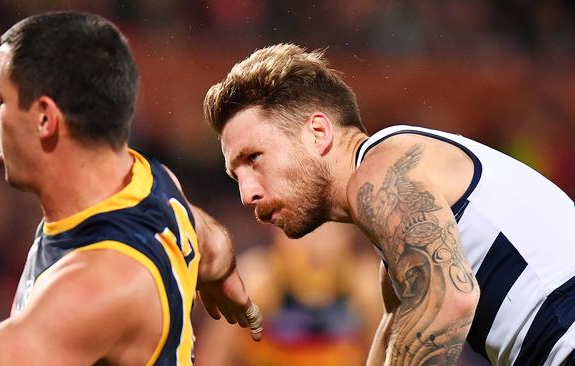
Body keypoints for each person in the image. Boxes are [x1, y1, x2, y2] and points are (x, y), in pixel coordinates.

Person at [203, 43, 575, 365]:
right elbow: (395, 335)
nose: (246, 193)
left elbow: (450, 301)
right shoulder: (394, 238)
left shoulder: (382, 167)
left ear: (318, 132)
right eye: (236, 176)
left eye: (254, 158)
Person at [0, 11, 262, 366]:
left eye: (0, 98)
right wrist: (222, 272)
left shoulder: (96, 289)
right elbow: (208, 240)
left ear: (45, 119)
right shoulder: (150, 181)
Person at [196, 222, 382, 366]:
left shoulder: (367, 287)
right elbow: (212, 357)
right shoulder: (254, 281)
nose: (314, 247)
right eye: (304, 232)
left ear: (349, 233)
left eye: (327, 229)